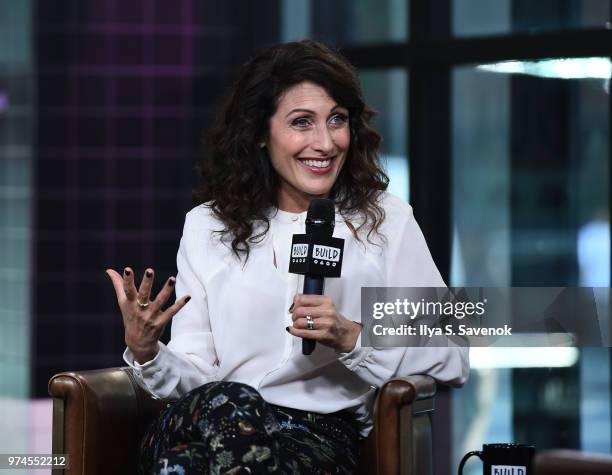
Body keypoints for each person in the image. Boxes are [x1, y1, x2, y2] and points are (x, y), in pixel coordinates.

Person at [106, 39, 469, 475]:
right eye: (302, 122)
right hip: (208, 416)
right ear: (261, 134)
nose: (325, 142)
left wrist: (353, 336)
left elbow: (451, 354)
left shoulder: (384, 220)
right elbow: (196, 377)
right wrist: (147, 351)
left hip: (315, 442)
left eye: (337, 120)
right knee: (226, 403)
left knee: (184, 464)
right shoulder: (208, 225)